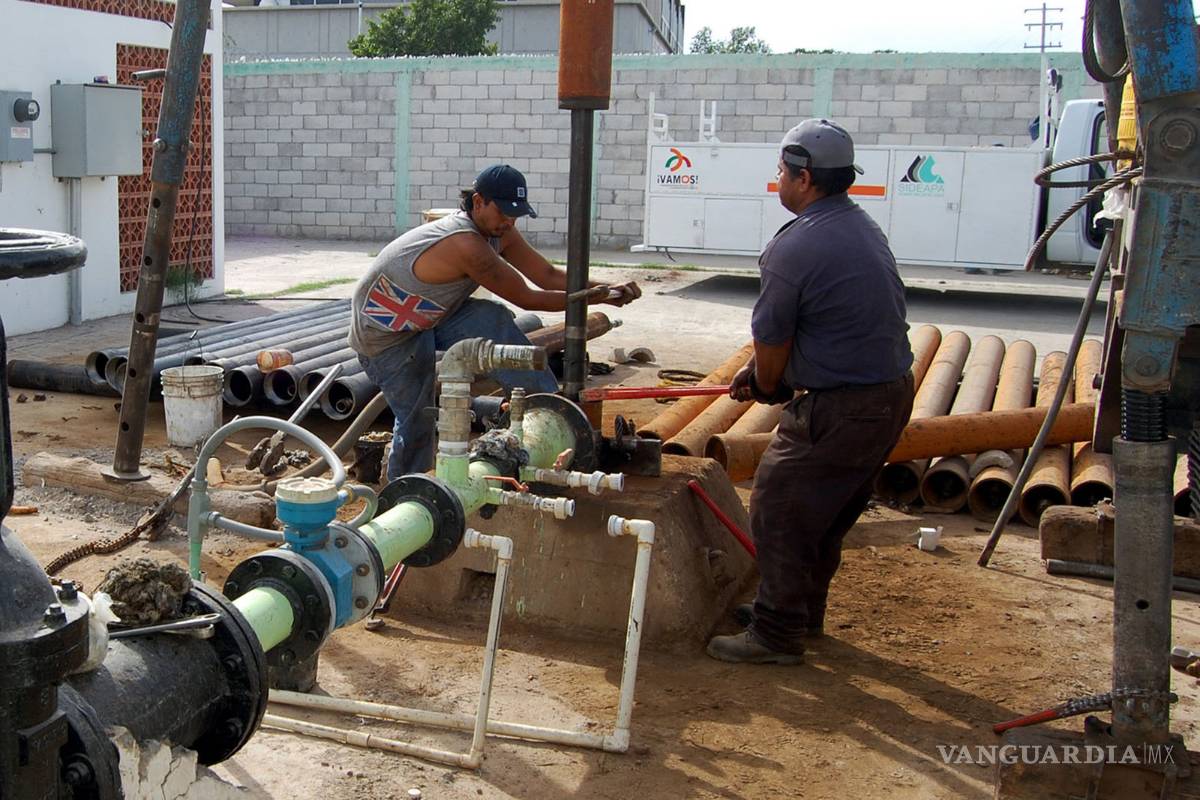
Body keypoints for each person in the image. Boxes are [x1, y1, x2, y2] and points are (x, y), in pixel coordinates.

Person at [705, 120, 915, 665]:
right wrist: (761, 371)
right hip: (888, 395)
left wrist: (767, 382)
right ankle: (797, 611)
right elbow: (825, 321)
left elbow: (773, 338)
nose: (777, 179)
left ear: (803, 178)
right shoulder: (859, 225)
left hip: (843, 405)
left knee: (778, 504)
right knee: (825, 513)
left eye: (780, 170)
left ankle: (777, 635)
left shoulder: (793, 247)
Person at [348, 164, 640, 480]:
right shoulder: (465, 244)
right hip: (386, 337)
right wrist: (593, 297)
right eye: (503, 211)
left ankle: (546, 408)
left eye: (516, 214)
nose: (509, 221)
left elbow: (546, 275)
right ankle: (405, 492)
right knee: (417, 417)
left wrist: (607, 290)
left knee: (492, 318)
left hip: (432, 317)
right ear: (478, 202)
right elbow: (528, 298)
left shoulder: (499, 231)